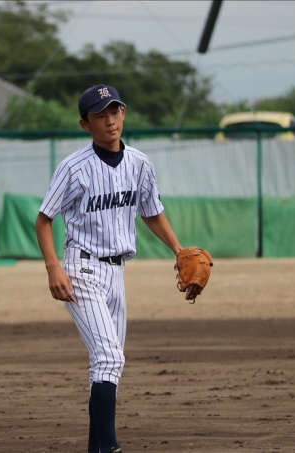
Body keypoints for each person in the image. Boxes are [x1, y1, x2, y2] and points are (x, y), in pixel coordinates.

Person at [35, 84, 189, 453]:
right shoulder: (73, 167)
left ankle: (97, 449)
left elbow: (151, 212)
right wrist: (53, 267)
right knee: (109, 357)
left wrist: (179, 250)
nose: (110, 121)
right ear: (85, 124)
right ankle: (111, 448)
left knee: (107, 367)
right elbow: (44, 219)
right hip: (81, 269)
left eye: (114, 111)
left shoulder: (139, 163)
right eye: (100, 115)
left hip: (117, 273)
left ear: (124, 113)